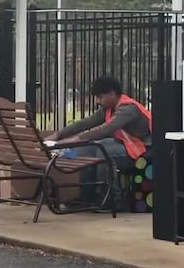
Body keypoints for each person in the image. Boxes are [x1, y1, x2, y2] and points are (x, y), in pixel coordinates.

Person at [45, 76, 152, 210]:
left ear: (112, 94)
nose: (97, 101)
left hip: (143, 151)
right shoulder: (108, 109)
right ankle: (87, 197)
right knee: (86, 149)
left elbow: (104, 129)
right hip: (126, 146)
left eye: (100, 97)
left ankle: (112, 198)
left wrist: (67, 141)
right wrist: (56, 136)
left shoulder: (128, 109)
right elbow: (84, 123)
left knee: (103, 150)